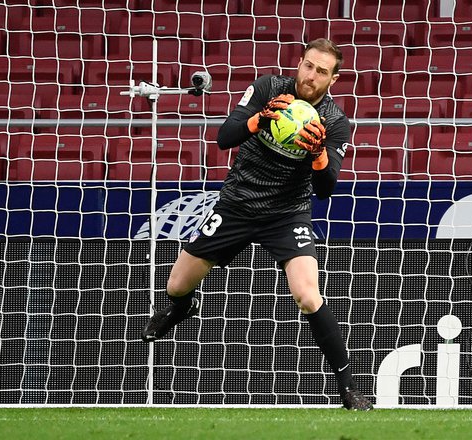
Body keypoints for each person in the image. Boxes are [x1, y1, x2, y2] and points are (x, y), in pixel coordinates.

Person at [141, 38, 373, 411]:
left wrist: (316, 154)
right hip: (238, 204)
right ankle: (183, 308)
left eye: (322, 72)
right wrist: (259, 118)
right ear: (299, 63)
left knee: (308, 295)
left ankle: (348, 388)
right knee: (176, 285)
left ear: (334, 79)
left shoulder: (334, 123)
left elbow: (326, 188)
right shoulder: (267, 87)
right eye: (308, 66)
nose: (311, 76)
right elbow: (224, 137)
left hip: (287, 214)